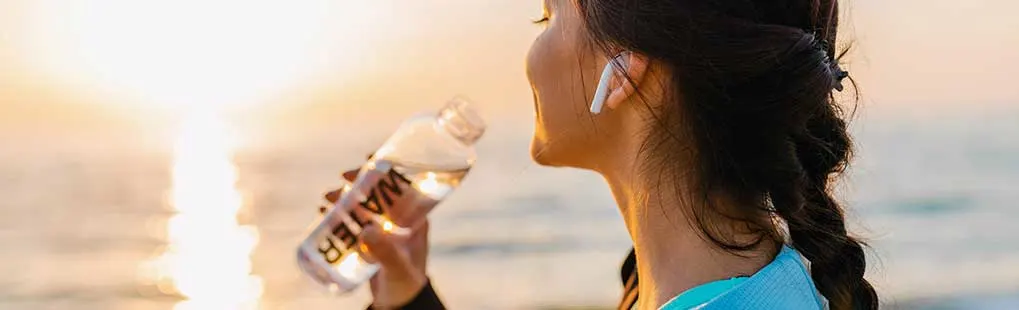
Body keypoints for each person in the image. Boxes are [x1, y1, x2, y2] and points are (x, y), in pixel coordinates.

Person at [327, 0, 878, 309]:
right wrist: (404, 292)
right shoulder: (689, 284)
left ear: (625, 64)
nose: (529, 58)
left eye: (547, 17)